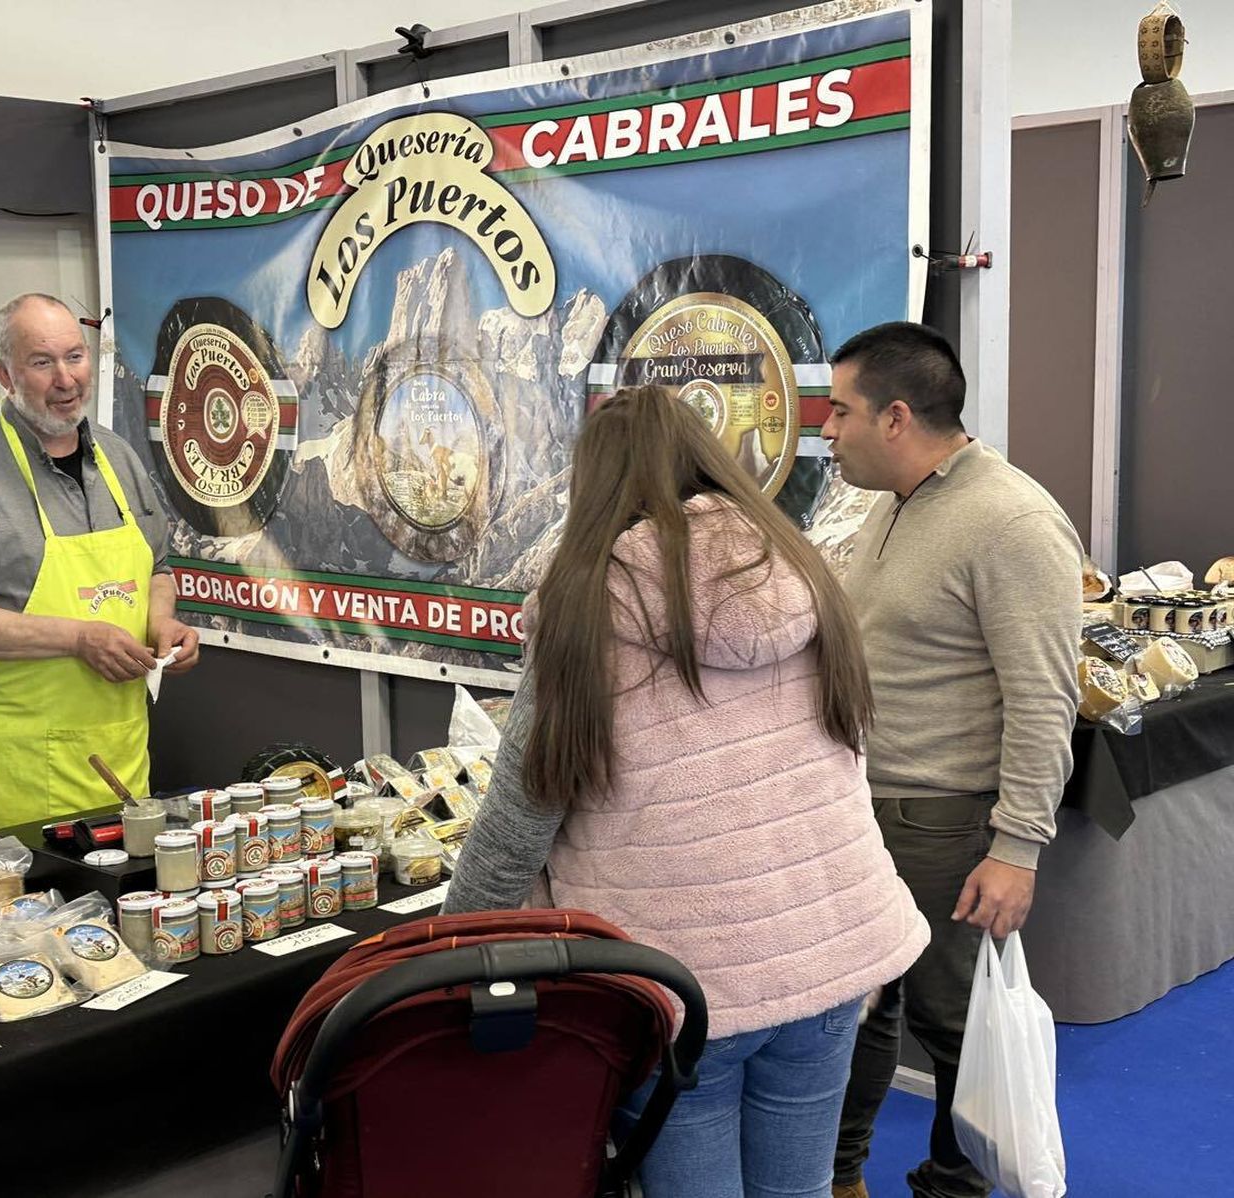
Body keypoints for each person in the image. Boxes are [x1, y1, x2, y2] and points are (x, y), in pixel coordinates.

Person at [443, 384, 929, 1198]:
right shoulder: (805, 572)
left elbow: (517, 824)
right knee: (800, 1191)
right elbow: (843, 763)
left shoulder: (583, 609)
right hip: (830, 951)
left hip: (679, 986)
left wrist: (445, 953)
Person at [820, 323, 1081, 1198]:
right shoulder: (895, 503)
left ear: (895, 418)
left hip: (943, 823)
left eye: (841, 411)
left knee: (957, 1025)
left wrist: (1017, 848)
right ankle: (840, 1177)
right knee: (863, 1005)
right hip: (867, 811)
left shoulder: (1011, 521)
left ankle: (959, 1184)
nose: (827, 430)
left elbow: (1045, 699)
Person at [0, 293, 200, 848]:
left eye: (75, 357)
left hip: (120, 752)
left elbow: (157, 567)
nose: (66, 379)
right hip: (17, 765)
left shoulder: (118, 457)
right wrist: (79, 638)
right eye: (42, 362)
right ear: (3, 374)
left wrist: (162, 624)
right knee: (30, 902)